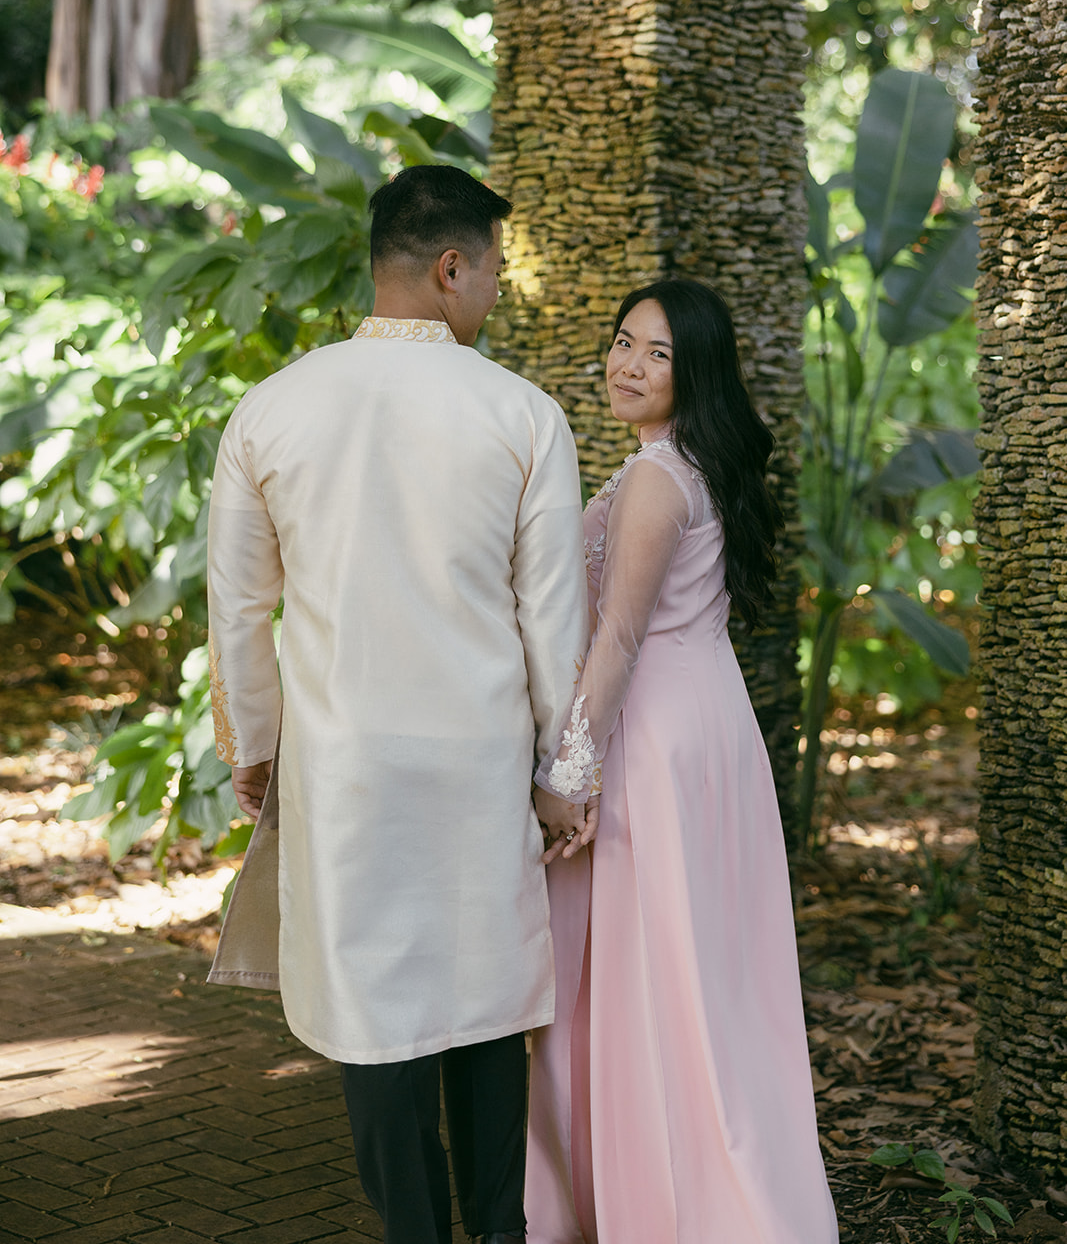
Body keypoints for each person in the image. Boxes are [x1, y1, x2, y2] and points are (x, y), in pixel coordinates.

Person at [204, 164, 595, 1244]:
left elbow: (241, 605)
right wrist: (561, 776)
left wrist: (256, 743)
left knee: (373, 1019)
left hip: (345, 769)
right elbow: (549, 620)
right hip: (476, 764)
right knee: (483, 1008)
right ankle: (499, 1233)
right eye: (493, 275)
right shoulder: (524, 415)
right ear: (449, 265)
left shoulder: (271, 408)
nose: (497, 298)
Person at [525, 279, 839, 1244]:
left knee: (651, 971)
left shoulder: (659, 481)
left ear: (693, 371)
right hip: (703, 722)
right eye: (623, 342)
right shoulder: (672, 467)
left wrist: (564, 777)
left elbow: (617, 637)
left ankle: (674, 1204)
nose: (628, 365)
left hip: (650, 737)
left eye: (656, 354)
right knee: (694, 971)